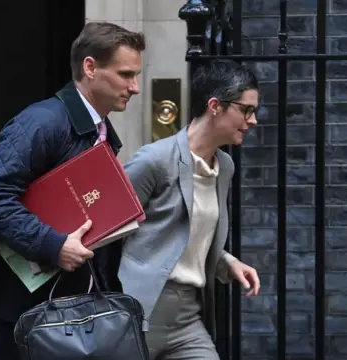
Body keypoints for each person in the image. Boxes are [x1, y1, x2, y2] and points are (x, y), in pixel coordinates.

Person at [0, 22, 144, 360]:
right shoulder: (41, 122)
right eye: (125, 75)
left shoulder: (100, 130)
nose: (134, 87)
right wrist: (54, 245)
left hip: (65, 310)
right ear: (90, 67)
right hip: (23, 311)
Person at [118, 60, 261, 360]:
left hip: (187, 316)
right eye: (246, 109)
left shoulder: (225, 167)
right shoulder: (154, 161)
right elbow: (111, 228)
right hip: (142, 310)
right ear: (215, 106)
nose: (253, 120)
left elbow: (187, 230)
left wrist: (226, 262)